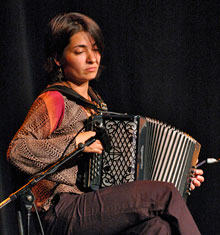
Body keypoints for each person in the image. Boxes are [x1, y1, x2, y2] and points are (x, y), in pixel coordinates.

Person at [7, 12, 204, 235]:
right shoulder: (54, 100)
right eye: (80, 51)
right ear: (58, 58)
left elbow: (121, 177)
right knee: (165, 195)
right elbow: (17, 151)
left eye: (96, 49)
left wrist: (181, 173)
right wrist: (73, 143)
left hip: (93, 209)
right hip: (62, 210)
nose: (92, 58)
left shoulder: (98, 106)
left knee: (158, 227)